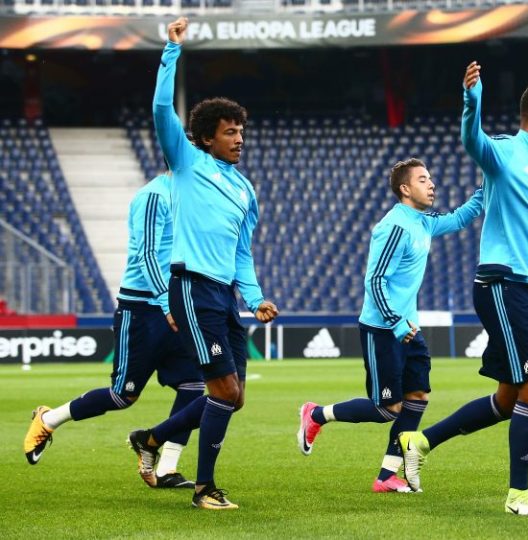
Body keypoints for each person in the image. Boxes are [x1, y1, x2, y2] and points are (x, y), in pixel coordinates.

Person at [399, 60, 528, 516]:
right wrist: (471, 101)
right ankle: (519, 495)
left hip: (526, 289)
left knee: (508, 398)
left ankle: (420, 441)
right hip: (500, 283)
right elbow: (470, 140)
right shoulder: (502, 153)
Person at [126, 16, 278, 511]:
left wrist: (255, 299)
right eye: (230, 132)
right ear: (207, 138)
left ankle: (150, 439)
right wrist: (171, 52)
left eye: (242, 131)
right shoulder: (187, 163)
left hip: (225, 294)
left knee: (233, 397)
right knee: (223, 388)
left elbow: (242, 253)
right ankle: (204, 489)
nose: (239, 138)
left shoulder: (245, 189)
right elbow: (159, 108)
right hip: (190, 287)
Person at [296, 158, 483, 493]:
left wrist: (485, 192)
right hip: (384, 328)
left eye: (431, 178)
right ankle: (316, 414)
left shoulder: (423, 222)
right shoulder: (395, 226)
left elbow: (457, 219)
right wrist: (396, 322)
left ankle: (386, 476)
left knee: (417, 397)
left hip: (410, 327)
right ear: (405, 188)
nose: (432, 184)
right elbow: (375, 280)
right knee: (387, 408)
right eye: (423, 179)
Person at [22, 172, 203, 489]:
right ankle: (48, 419)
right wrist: (164, 300)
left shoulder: (194, 197)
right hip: (143, 310)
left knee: (193, 385)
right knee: (123, 395)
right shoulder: (154, 196)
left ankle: (167, 469)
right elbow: (146, 254)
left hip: (176, 304)